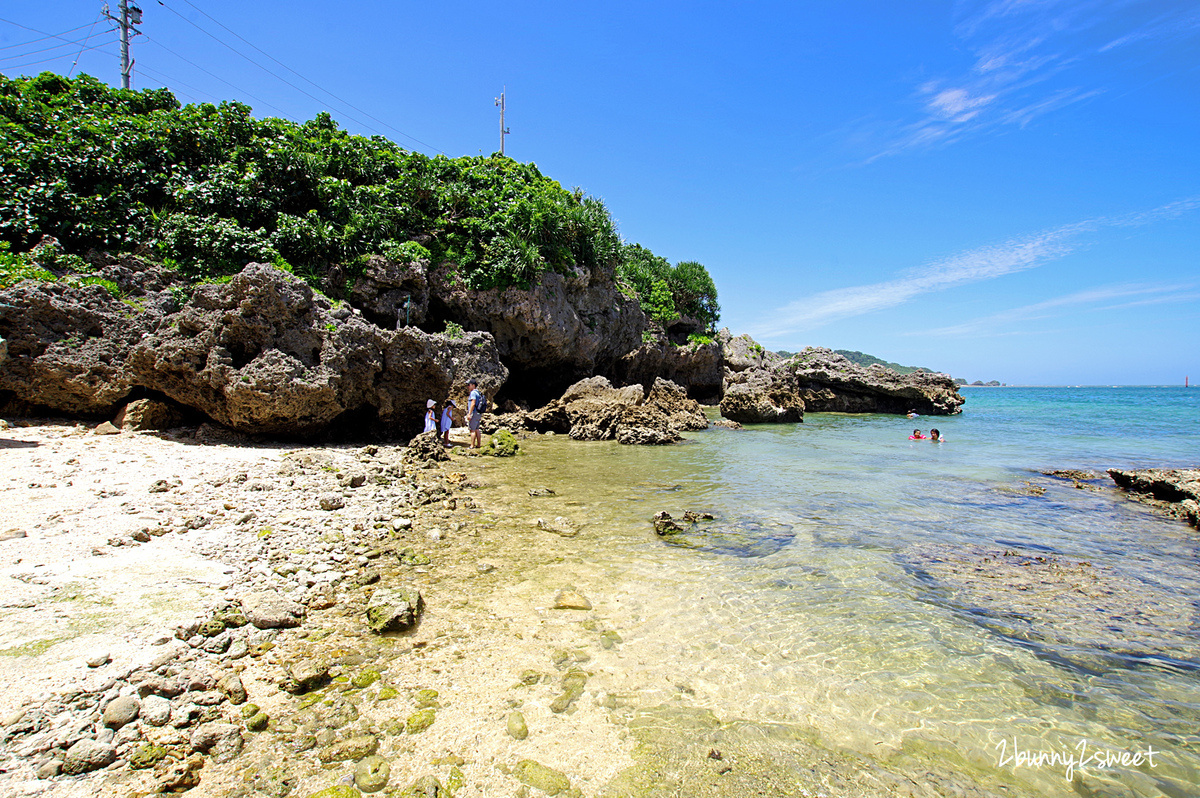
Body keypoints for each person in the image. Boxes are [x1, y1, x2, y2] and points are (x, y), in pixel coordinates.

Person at [466, 379, 483, 449]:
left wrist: (469, 413)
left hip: (474, 412)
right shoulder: (478, 393)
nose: (468, 387)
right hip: (478, 413)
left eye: (468, 385)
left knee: (472, 430)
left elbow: (473, 403)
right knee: (477, 429)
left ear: (473, 385)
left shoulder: (473, 393)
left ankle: (472, 445)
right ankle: (478, 444)